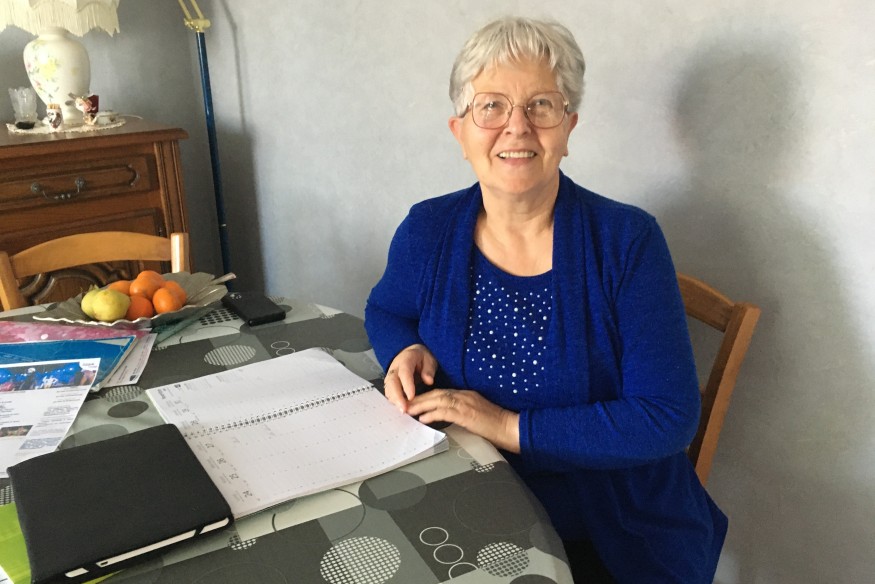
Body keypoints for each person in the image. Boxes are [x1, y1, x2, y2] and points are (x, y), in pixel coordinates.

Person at [364, 16, 727, 583]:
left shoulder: (628, 241)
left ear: (568, 127)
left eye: (541, 105)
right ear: (460, 131)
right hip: (462, 498)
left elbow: (667, 417)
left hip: (610, 527)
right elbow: (387, 309)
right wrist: (403, 348)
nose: (517, 127)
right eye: (491, 106)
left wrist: (506, 426)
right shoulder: (427, 229)